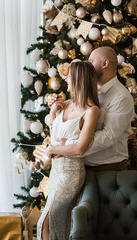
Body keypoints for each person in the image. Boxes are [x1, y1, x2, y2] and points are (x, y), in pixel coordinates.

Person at [37, 61, 101, 240]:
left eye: (69, 76)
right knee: (57, 221)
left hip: (71, 171)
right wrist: (52, 115)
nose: (66, 79)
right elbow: (56, 134)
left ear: (79, 80)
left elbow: (81, 148)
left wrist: (52, 150)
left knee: (47, 221)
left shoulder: (92, 111)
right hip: (56, 170)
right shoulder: (65, 105)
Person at [48, 46, 135, 171]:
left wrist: (68, 146)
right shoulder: (86, 91)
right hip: (80, 165)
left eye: (90, 62)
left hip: (106, 167)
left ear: (105, 63)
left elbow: (108, 136)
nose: (87, 66)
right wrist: (56, 110)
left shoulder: (121, 97)